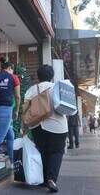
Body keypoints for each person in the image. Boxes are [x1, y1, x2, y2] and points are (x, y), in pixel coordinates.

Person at [24, 65, 68, 193]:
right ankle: (51, 179)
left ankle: (44, 179)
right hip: (59, 126)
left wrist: (25, 127)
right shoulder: (58, 87)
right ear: (52, 76)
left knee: (43, 151)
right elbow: (69, 109)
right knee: (57, 152)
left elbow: (25, 110)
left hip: (38, 125)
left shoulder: (32, 90)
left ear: (38, 76)